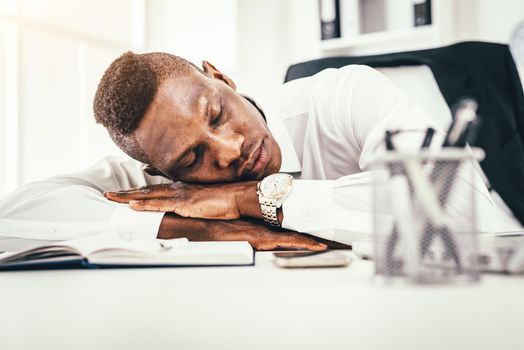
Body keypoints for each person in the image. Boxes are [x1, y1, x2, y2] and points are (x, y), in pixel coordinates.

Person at [0, 52, 501, 252]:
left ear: (220, 78)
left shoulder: (343, 95)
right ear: (159, 171)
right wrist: (198, 226)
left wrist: (253, 199)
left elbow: (458, 205)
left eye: (216, 113)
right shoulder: (159, 183)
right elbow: (15, 218)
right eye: (192, 159)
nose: (230, 149)